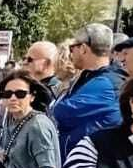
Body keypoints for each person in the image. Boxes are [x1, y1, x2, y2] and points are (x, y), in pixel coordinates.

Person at [53, 23, 124, 158]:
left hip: (87, 165)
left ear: (84, 48)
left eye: (72, 47)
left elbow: (61, 112)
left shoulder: (105, 82)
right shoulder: (92, 77)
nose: (70, 53)